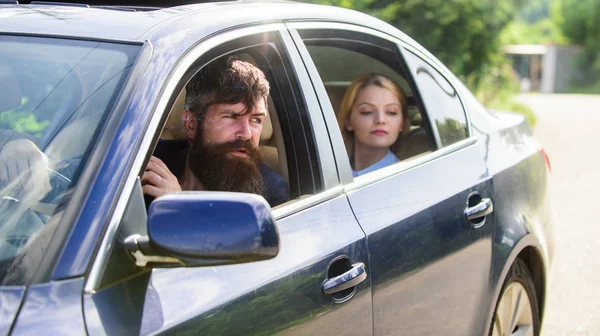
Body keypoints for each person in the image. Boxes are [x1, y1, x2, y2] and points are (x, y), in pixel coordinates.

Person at [142, 57, 289, 207]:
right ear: (192, 125)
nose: (246, 134)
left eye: (256, 120)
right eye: (231, 117)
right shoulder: (150, 159)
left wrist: (180, 206)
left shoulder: (269, 193)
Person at [337, 73, 410, 177]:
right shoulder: (327, 172)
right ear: (348, 121)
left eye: (391, 112)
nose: (380, 120)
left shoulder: (405, 179)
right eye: (367, 111)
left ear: (401, 124)